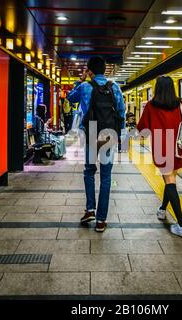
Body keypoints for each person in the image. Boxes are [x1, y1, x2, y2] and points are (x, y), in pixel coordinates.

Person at [67, 56, 125, 232]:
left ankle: (90, 209)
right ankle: (101, 220)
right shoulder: (114, 87)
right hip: (109, 134)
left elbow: (70, 98)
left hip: (91, 131)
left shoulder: (85, 87)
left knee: (89, 172)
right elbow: (121, 112)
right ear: (105, 70)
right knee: (106, 177)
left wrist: (80, 80)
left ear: (89, 71)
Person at [136, 75, 182, 237]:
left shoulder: (151, 106)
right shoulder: (180, 104)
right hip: (179, 147)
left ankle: (181, 225)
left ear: (157, 88)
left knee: (169, 181)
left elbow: (142, 130)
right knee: (170, 180)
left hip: (162, 147)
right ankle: (162, 209)